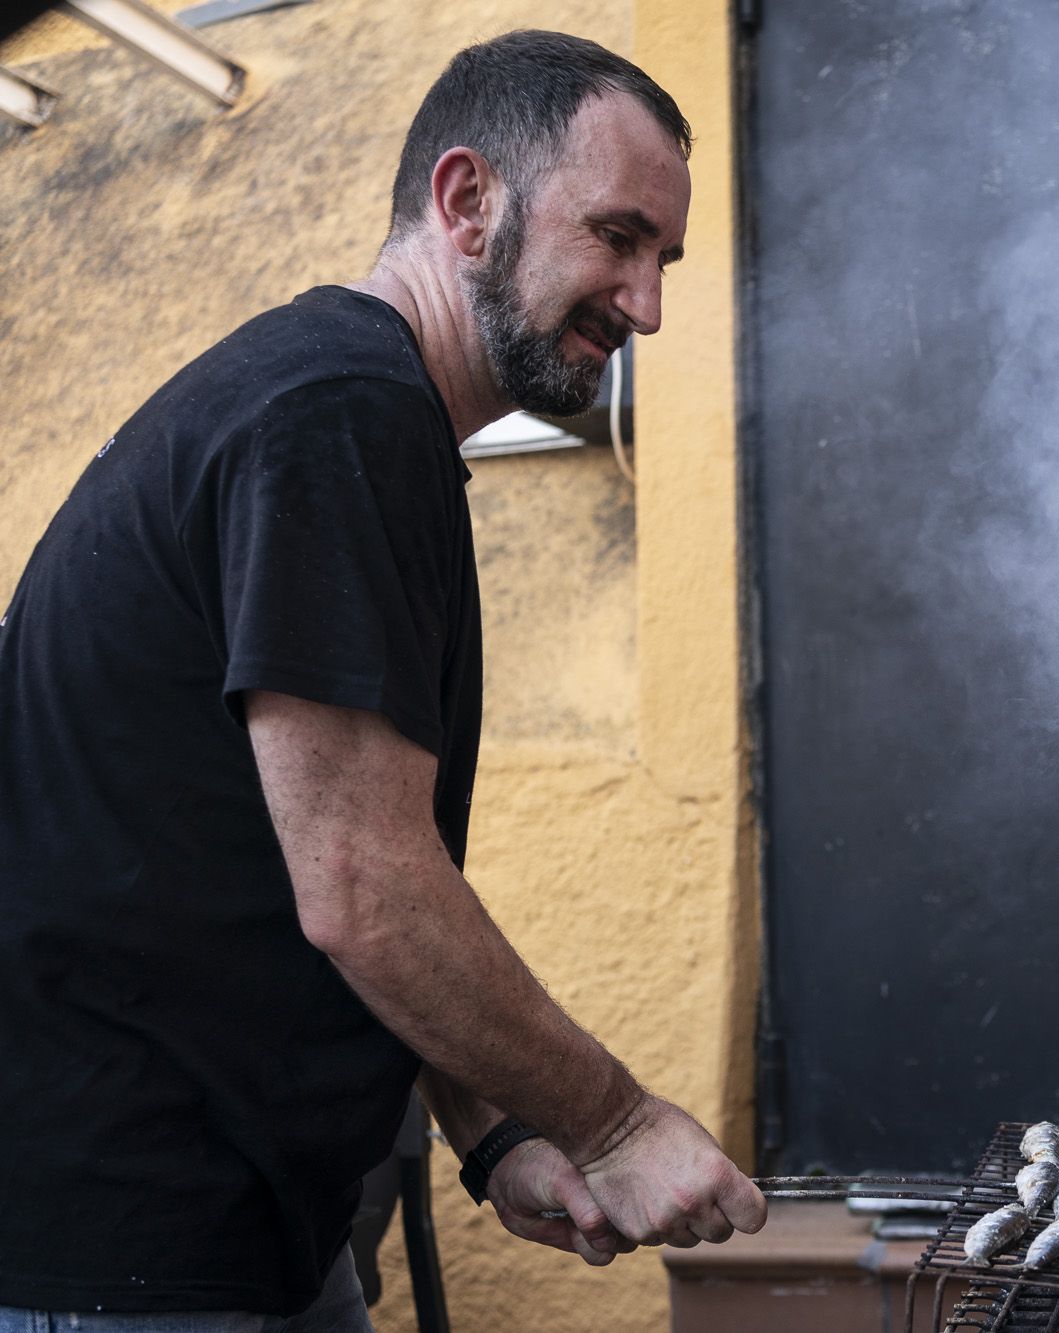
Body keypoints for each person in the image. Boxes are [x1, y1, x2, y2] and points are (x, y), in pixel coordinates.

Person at [0, 29, 765, 1330]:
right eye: (619, 237)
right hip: (132, 1245)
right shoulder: (336, 417)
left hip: (247, 1233)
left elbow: (345, 871)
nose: (646, 306)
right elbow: (363, 888)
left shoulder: (352, 412)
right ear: (468, 202)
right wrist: (615, 1120)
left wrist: (495, 1130)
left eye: (663, 261)